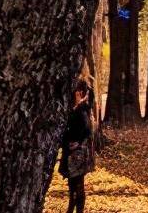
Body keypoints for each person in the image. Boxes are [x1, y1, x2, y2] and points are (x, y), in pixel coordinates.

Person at [59, 80, 94, 213]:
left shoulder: (82, 109)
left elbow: (86, 129)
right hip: (72, 151)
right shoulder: (75, 108)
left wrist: (78, 142)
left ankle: (77, 211)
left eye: (79, 92)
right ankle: (70, 209)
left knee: (78, 185)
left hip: (78, 153)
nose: (77, 93)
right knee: (72, 185)